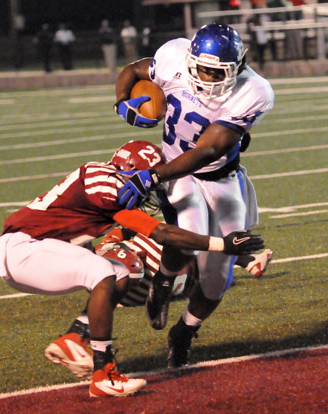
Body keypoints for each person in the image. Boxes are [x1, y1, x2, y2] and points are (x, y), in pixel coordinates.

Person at [0, 140, 263, 394]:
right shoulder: (103, 182)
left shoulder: (109, 184)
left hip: (35, 251)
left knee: (123, 272)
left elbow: (157, 232)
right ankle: (104, 373)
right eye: (149, 178)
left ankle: (75, 337)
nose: (150, 189)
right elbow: (163, 234)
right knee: (103, 272)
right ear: (131, 171)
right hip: (23, 251)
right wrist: (222, 245)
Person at [113, 23, 274, 368]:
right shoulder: (173, 57)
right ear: (189, 60)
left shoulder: (254, 91)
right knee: (189, 234)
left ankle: (184, 330)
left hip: (219, 176)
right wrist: (122, 102)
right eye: (202, 68)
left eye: (217, 72)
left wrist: (152, 176)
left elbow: (208, 150)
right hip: (176, 168)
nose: (207, 78)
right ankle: (164, 280)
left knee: (218, 277)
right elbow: (132, 70)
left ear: (239, 67)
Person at [45, 223, 269, 378]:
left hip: (143, 279)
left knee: (210, 267)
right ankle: (77, 334)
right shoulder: (116, 237)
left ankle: (178, 321)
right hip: (129, 273)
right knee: (170, 243)